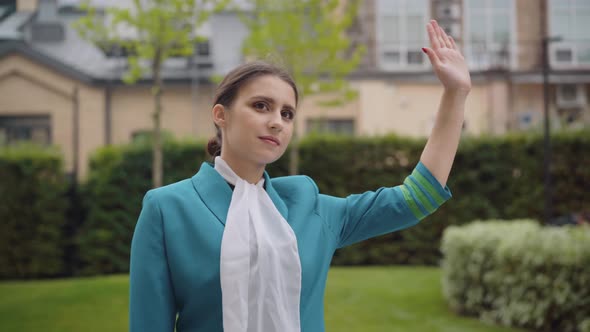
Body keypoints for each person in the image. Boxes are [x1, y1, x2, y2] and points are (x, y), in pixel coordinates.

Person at [129, 20, 471, 332]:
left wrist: (455, 94)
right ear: (221, 114)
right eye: (261, 106)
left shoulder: (310, 208)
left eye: (287, 113)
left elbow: (416, 197)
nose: (277, 121)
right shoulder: (166, 209)